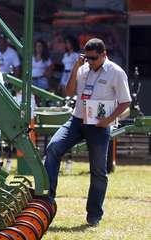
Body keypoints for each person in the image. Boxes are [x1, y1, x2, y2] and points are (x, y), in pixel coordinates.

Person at [44, 38, 132, 226]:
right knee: (53, 148)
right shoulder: (83, 68)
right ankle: (47, 200)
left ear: (104, 55)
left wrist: (107, 121)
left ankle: (94, 215)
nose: (90, 62)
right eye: (87, 58)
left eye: (93, 58)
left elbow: (125, 102)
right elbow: (68, 92)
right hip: (77, 120)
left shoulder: (116, 72)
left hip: (99, 126)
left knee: (98, 170)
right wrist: (76, 68)